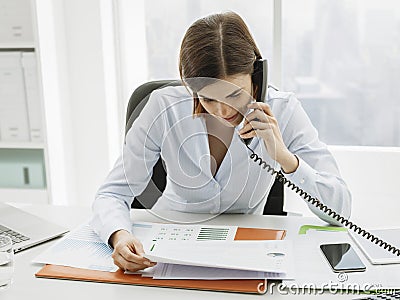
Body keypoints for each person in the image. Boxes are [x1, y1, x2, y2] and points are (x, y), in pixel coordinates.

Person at [91, 12, 351, 272]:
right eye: (208, 99)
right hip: (166, 248)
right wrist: (119, 236)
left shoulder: (284, 110)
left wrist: (285, 158)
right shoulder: (163, 106)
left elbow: (340, 210)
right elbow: (112, 193)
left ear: (257, 77)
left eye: (234, 95)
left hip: (244, 253)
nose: (223, 111)